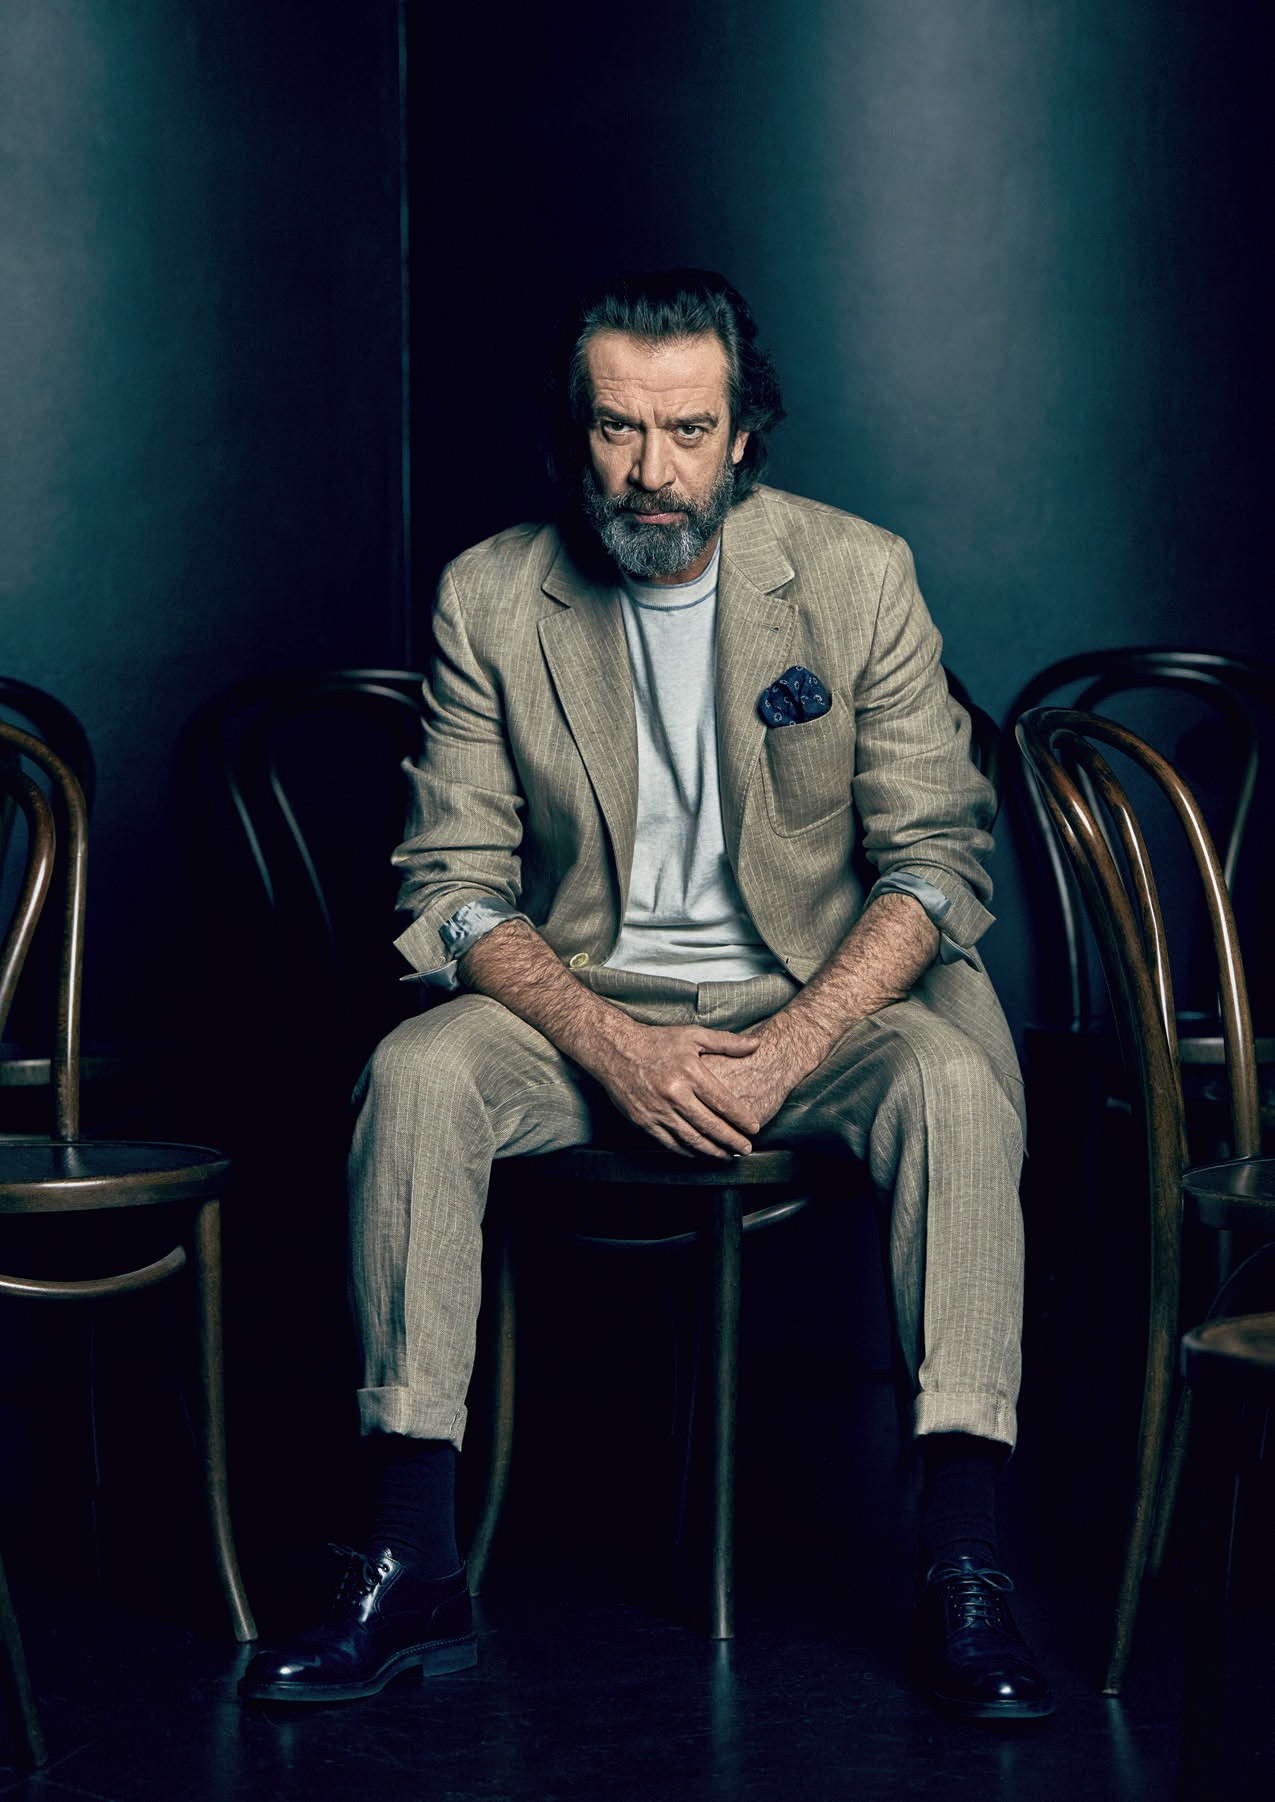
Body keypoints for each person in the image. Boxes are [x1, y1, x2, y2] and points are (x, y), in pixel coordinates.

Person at [239, 267, 1052, 1722]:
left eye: (687, 431)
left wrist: (785, 1046)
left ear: (742, 434)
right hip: (585, 993)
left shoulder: (859, 572)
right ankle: (413, 1560)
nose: (652, 471)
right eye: (619, 428)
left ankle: (964, 1564)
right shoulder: (493, 592)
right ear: (579, 431)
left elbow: (935, 862)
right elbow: (450, 884)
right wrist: (614, 1045)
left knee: (955, 1082)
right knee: (415, 1073)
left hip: (816, 996)